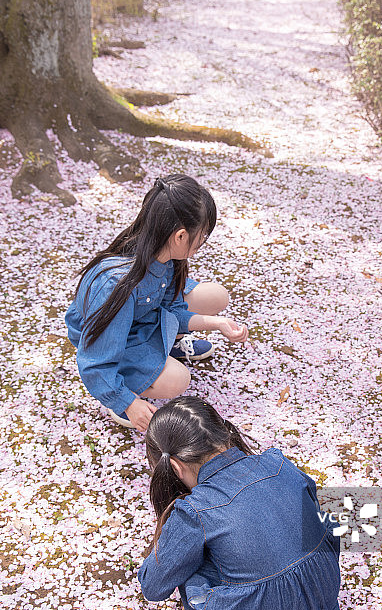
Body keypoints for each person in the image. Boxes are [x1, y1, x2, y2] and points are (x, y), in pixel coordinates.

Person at [138, 397, 346, 610]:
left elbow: (153, 586)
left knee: (191, 568)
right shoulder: (278, 463)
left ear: (173, 465)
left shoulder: (195, 512)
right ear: (224, 432)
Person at [65, 175, 248, 432]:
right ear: (181, 236)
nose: (203, 241)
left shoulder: (165, 254)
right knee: (178, 380)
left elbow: (171, 310)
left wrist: (217, 324)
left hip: (139, 320)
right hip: (110, 341)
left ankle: (162, 348)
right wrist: (128, 403)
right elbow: (94, 360)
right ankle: (123, 389)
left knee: (218, 296)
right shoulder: (115, 283)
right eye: (203, 235)